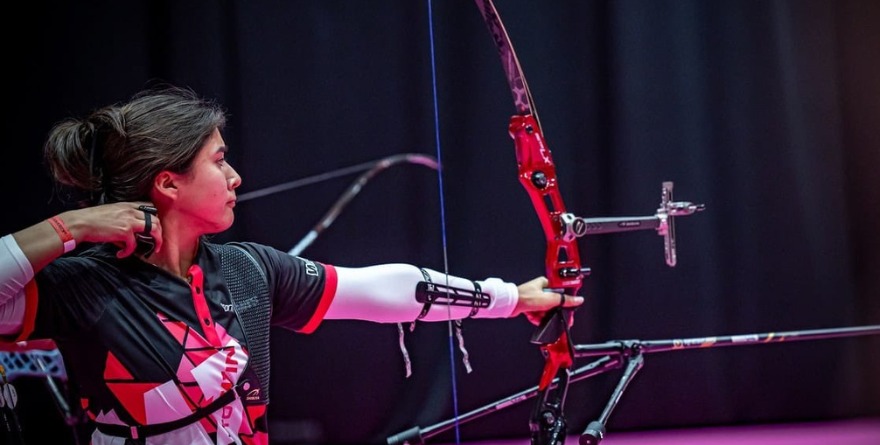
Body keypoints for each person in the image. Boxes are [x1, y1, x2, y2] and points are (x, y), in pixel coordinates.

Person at [0, 85, 583, 445]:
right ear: (168, 183)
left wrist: (509, 297)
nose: (235, 178)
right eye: (219, 161)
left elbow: (387, 290)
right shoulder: (85, 284)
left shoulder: (248, 269)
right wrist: (70, 229)